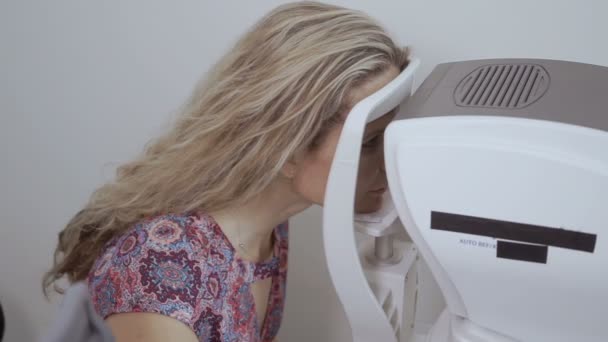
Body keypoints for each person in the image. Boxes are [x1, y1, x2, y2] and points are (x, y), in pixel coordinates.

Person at [43, 1, 410, 341]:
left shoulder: (266, 229)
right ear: (286, 146)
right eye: (368, 143)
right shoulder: (160, 278)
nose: (388, 164)